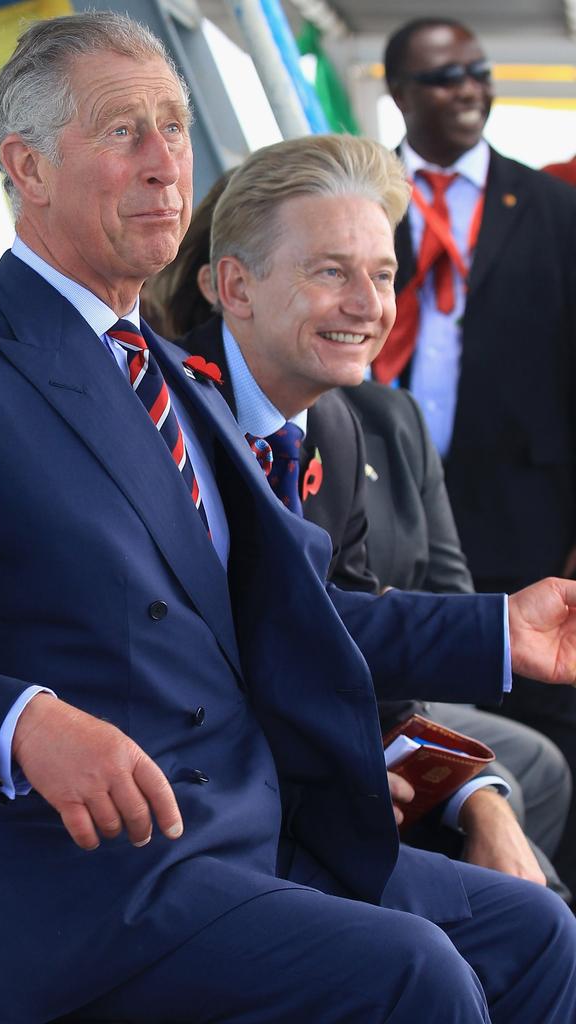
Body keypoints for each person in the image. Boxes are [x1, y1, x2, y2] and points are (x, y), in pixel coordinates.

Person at [0, 15, 576, 1024]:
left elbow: (295, 609)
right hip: (85, 892)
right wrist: (19, 723)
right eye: (123, 130)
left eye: (174, 126)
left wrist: (500, 631)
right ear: (24, 168)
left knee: (537, 935)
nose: (167, 163)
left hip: (241, 838)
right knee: (412, 972)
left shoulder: (170, 378)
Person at [153, 158, 571, 891]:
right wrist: (346, 765)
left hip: (306, 789)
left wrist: (474, 793)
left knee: (534, 914)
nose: (369, 306)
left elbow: (341, 633)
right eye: (331, 273)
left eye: (382, 276)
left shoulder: (337, 428)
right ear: (233, 287)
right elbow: (206, 658)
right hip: (187, 832)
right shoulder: (164, 423)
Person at [378, 14, 576, 894]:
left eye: (477, 71)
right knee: (410, 712)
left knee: (542, 728)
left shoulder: (553, 210)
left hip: (529, 518)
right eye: (443, 76)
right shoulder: (359, 196)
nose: (467, 87)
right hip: (388, 516)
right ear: (397, 93)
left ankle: (547, 917)